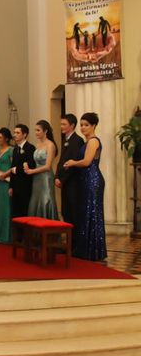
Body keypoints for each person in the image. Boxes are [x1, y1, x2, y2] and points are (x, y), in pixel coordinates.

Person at [64, 112, 106, 261]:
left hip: (93, 180)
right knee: (85, 213)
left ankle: (93, 251)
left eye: (86, 125)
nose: (83, 128)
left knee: (92, 213)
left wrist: (72, 163)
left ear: (93, 126)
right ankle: (86, 249)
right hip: (86, 179)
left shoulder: (93, 141)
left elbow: (87, 162)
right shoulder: (86, 141)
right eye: (81, 125)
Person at [55, 114, 84, 228]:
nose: (61, 126)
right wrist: (56, 176)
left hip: (73, 182)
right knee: (66, 212)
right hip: (65, 182)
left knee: (73, 213)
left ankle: (74, 242)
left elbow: (74, 162)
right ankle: (69, 242)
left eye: (64, 124)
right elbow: (61, 160)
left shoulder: (77, 140)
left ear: (72, 125)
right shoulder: (65, 139)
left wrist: (62, 179)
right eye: (61, 124)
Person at [25, 120, 58, 219]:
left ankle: (48, 229)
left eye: (38, 130)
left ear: (45, 131)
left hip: (46, 177)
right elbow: (34, 162)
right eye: (35, 130)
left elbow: (48, 166)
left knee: (46, 199)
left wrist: (32, 171)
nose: (36, 133)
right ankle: (36, 231)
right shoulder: (37, 144)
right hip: (36, 178)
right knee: (36, 200)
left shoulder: (50, 145)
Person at [0, 128, 14, 244]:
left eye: (0, 137)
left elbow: (14, 166)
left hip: (8, 180)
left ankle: (6, 235)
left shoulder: (11, 150)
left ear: (6, 138)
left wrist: (5, 174)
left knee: (7, 207)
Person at [9, 124, 36, 218]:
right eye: (14, 132)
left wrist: (17, 169)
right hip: (15, 185)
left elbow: (31, 165)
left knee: (24, 212)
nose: (14, 135)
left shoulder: (30, 148)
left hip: (25, 184)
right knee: (15, 213)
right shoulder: (15, 149)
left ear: (24, 135)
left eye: (17, 132)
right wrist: (11, 186)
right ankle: (17, 233)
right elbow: (12, 167)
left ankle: (24, 233)